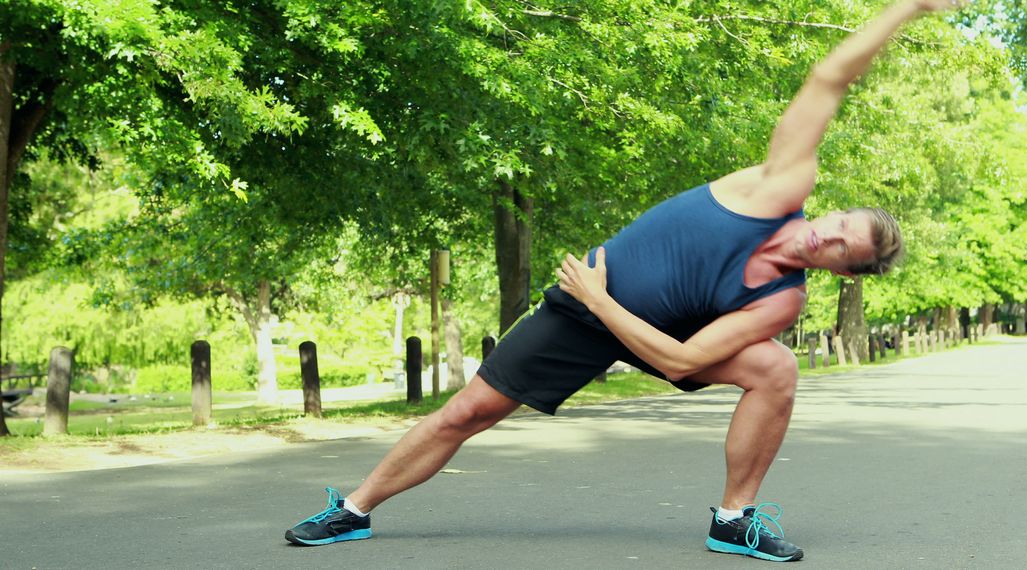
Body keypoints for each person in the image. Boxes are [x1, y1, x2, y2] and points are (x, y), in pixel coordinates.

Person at [285, 0, 963, 561]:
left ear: (845, 271)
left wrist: (602, 299)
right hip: (582, 312)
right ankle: (354, 509)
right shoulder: (780, 183)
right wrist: (907, 8)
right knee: (468, 412)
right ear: (834, 210)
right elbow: (829, 79)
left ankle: (734, 520)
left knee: (776, 367)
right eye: (841, 221)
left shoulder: (781, 299)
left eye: (845, 247)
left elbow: (680, 359)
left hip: (628, 315)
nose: (830, 233)